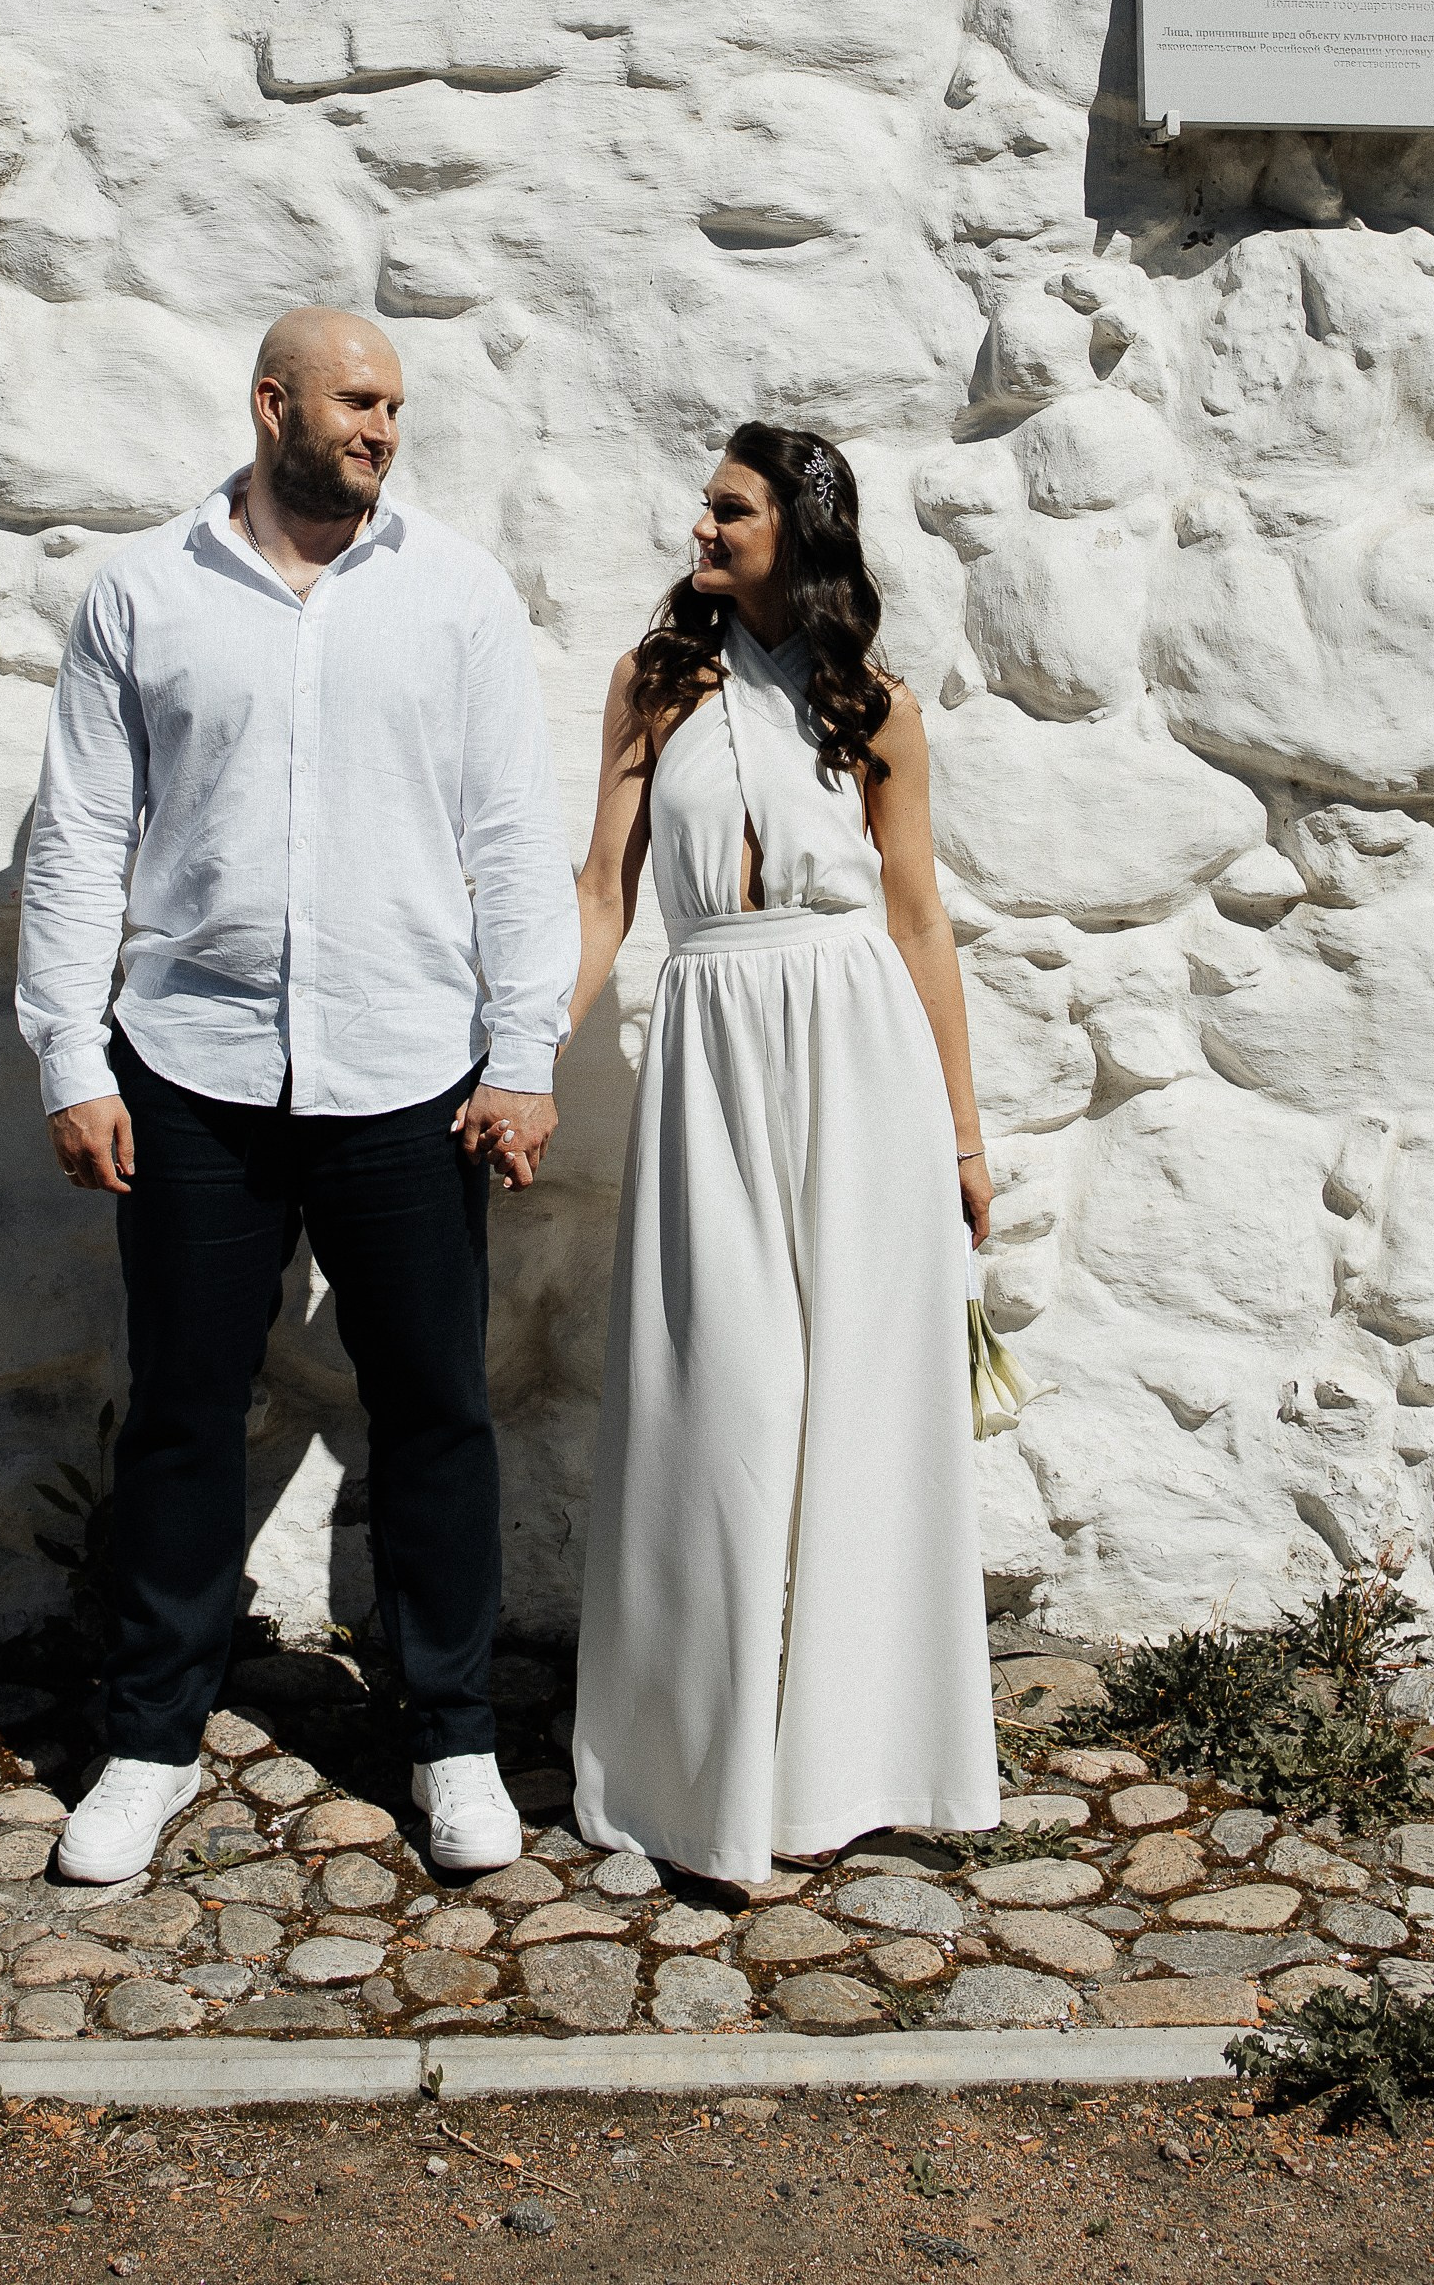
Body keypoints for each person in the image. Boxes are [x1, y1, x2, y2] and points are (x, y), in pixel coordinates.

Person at [15, 307, 579, 1888]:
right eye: (355, 401)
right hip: (190, 1067)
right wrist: (70, 1055)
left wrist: (523, 1050)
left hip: (411, 1070)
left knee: (435, 1416)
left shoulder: (455, 593)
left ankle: (454, 1736)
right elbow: (76, 839)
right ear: (271, 404)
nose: (383, 428)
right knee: (186, 1414)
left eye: (397, 405)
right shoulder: (141, 594)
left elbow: (515, 841)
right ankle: (147, 1742)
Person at [566, 424, 1001, 1885]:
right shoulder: (656, 686)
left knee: (868, 1412)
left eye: (730, 509)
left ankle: (851, 1769)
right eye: (704, 505)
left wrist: (963, 1132)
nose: (701, 528)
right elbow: (603, 896)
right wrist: (519, 1055)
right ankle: (695, 1774)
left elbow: (919, 919)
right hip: (715, 1041)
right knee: (721, 1405)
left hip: (859, 1049)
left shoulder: (874, 705)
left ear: (799, 533)